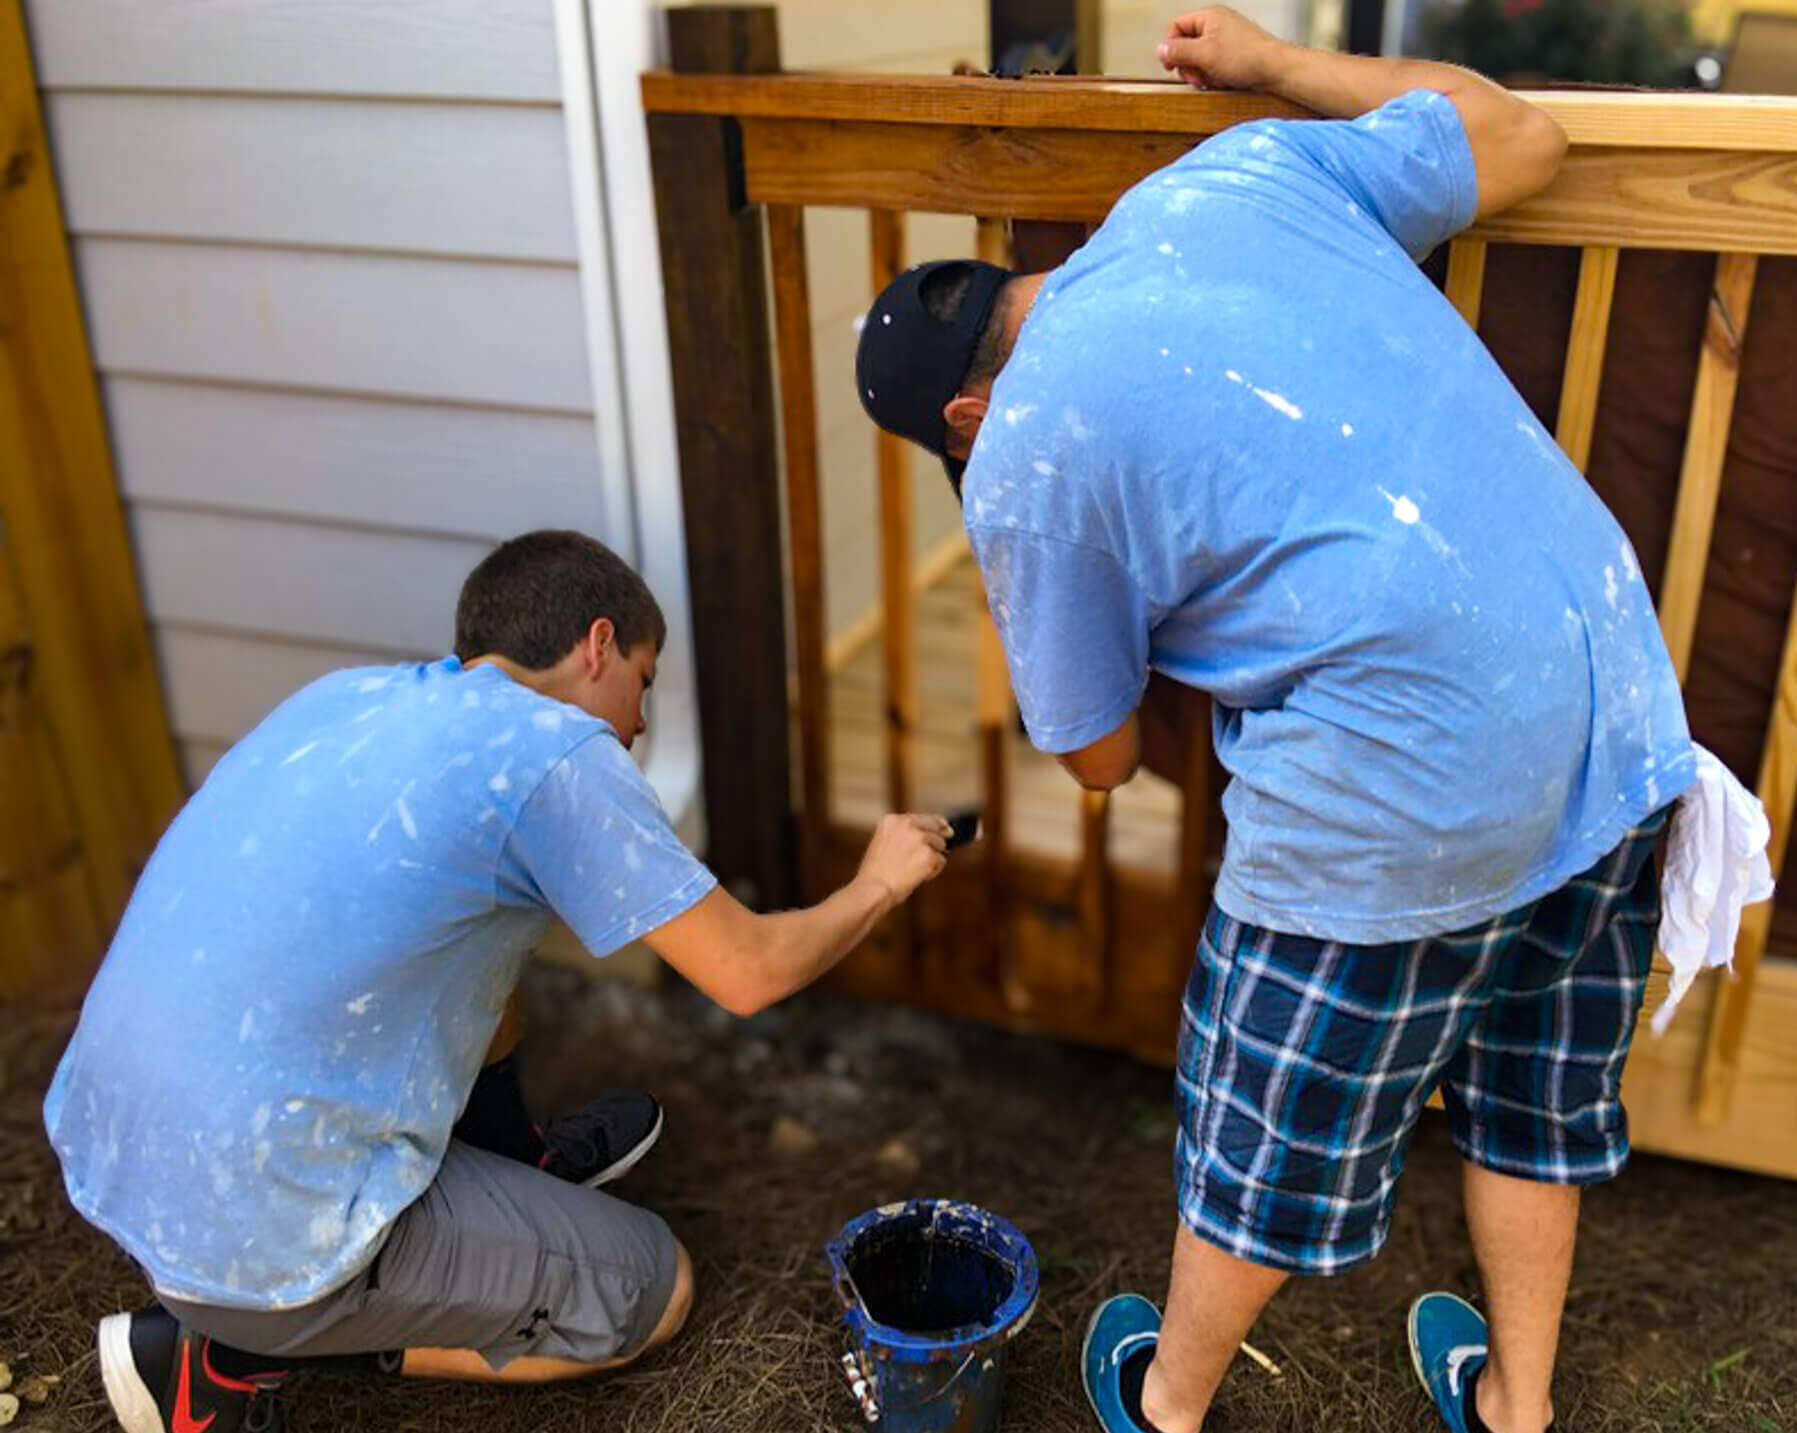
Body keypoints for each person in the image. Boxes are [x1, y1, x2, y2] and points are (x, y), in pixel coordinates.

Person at [853, 10, 1694, 1433]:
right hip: (1608, 692)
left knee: (1265, 1138)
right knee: (1530, 1087)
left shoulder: (1019, 455)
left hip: (1403, 764)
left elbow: (1099, 756)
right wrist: (1275, 68)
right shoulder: (1230, 174)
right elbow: (1522, 134)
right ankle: (1518, 1404)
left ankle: (1167, 1403)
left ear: (966, 412)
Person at [46, 529, 952, 1433]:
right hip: (259, 1226)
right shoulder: (551, 751)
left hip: (119, 1156)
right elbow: (748, 973)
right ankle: (234, 1355)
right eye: (643, 680)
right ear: (598, 644)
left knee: (488, 923)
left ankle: (503, 1153)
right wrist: (878, 882)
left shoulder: (351, 697)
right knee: (650, 1288)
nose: (640, 722)